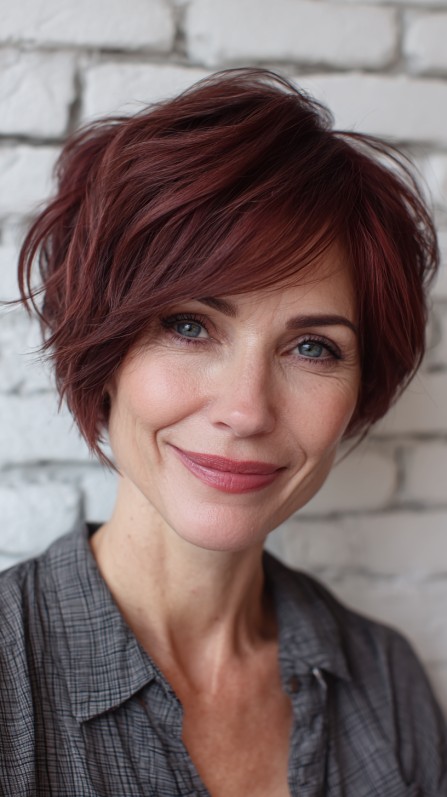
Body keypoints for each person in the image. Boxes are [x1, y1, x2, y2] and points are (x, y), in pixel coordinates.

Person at [0, 68, 445, 796]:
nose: (246, 410)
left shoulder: (384, 679)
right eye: (187, 326)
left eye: (312, 347)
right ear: (103, 352)